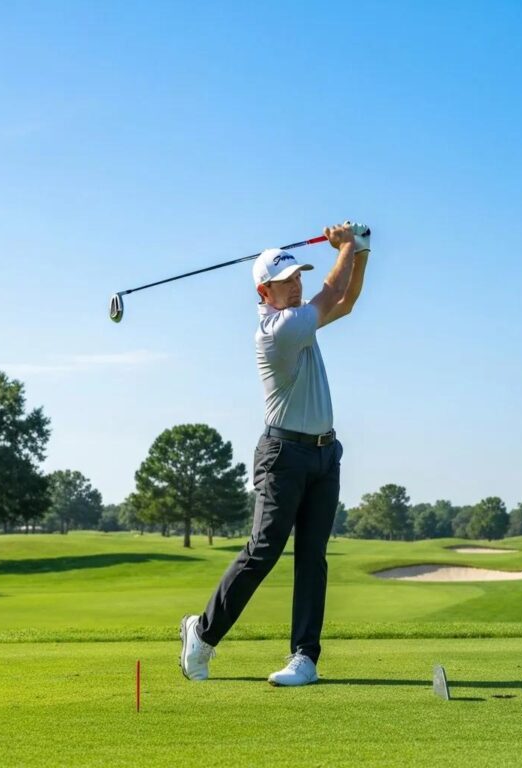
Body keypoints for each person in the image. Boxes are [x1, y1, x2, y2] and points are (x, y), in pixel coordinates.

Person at [180, 221, 370, 686]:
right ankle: (202, 635)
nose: (298, 285)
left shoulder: (300, 321)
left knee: (313, 556)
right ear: (265, 291)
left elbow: (347, 301)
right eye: (288, 282)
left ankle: (304, 657)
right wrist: (344, 246)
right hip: (283, 454)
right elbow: (332, 292)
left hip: (325, 456)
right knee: (263, 550)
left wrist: (360, 250)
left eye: (299, 277)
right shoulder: (277, 331)